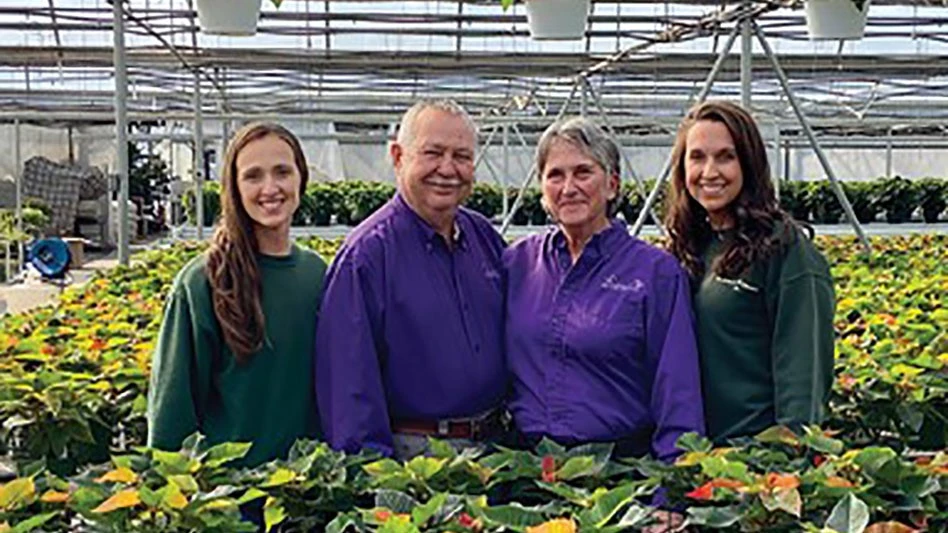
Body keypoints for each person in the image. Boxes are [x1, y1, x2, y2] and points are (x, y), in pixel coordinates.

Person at [503, 116, 705, 463]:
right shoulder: (517, 263)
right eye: (555, 175)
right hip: (528, 469)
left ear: (611, 184)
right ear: (542, 189)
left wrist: (670, 491)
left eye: (583, 172)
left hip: (618, 472)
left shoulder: (655, 273)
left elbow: (678, 390)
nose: (568, 187)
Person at [315, 100, 507, 459]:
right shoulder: (366, 255)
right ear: (398, 156)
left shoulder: (484, 238)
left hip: (494, 450)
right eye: (433, 153)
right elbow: (348, 390)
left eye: (462, 156)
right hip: (415, 457)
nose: (448, 169)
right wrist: (378, 482)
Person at [147, 122, 328, 468]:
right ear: (233, 187)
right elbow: (172, 411)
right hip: (229, 498)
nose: (270, 188)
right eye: (253, 176)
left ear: (301, 179)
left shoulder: (318, 274)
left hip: (308, 490)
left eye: (282, 172)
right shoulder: (202, 283)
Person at [665, 100, 835, 444]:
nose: (710, 171)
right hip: (690, 457)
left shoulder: (786, 252)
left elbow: (804, 377)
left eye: (726, 156)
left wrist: (784, 462)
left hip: (752, 462)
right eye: (697, 157)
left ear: (749, 164)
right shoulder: (688, 248)